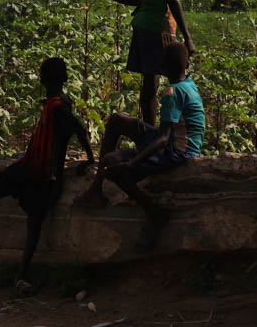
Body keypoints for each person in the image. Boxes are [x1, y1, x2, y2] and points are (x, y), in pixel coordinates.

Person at [74, 43, 205, 251]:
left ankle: (153, 212)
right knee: (117, 120)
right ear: (186, 64)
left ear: (163, 66)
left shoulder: (172, 92)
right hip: (180, 141)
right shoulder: (188, 84)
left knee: (112, 164)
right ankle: (96, 189)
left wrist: (132, 162)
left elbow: (163, 139)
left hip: (178, 150)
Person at [0, 57, 94, 295]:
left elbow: (79, 128)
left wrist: (91, 160)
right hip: (33, 170)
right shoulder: (58, 103)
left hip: (44, 177)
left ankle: (21, 276)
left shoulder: (58, 108)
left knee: (12, 205)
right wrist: (89, 158)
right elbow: (80, 129)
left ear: (42, 79)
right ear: (64, 79)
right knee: (24, 214)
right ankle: (21, 276)